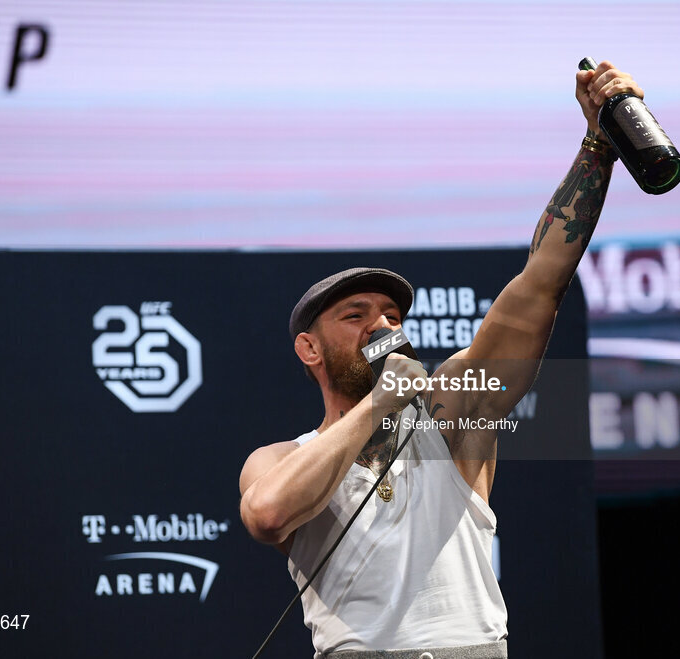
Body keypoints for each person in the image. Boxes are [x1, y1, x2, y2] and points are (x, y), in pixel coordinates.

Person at [239, 60, 643, 658]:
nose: (381, 325)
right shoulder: (277, 459)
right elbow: (270, 515)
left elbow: (537, 290)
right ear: (310, 348)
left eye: (392, 317)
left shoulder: (453, 415)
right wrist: (380, 402)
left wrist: (597, 151)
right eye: (356, 316)